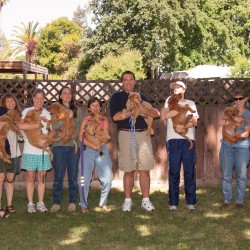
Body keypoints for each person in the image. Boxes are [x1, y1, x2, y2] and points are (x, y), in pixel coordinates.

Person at [110, 71, 160, 212]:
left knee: (145, 169)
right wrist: (133, 111)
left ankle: (145, 200)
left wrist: (143, 111)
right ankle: (127, 201)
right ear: (122, 83)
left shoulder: (141, 96)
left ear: (134, 81)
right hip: (126, 134)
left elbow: (156, 113)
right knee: (129, 169)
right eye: (125, 80)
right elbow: (116, 117)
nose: (128, 82)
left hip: (143, 135)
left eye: (131, 79)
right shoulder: (117, 97)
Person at [164, 81, 199, 211]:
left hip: (188, 138)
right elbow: (166, 115)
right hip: (173, 139)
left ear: (184, 89)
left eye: (178, 87)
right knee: (174, 171)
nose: (175, 89)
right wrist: (177, 109)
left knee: (189, 170)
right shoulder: (169, 100)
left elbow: (194, 121)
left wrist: (184, 125)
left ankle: (191, 201)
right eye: (174, 87)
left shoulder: (191, 103)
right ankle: (173, 202)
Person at [19, 89, 53, 213]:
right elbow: (21, 126)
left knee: (41, 177)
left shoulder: (47, 113)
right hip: (29, 149)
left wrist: (47, 141)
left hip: (43, 150)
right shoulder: (26, 111)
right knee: (30, 176)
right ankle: (30, 203)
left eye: (41, 98)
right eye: (37, 98)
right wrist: (37, 125)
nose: (39, 100)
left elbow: (52, 131)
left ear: (44, 100)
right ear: (33, 98)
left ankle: (40, 202)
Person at [50, 86, 83, 212]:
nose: (67, 95)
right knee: (58, 176)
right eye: (64, 93)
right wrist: (67, 117)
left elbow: (80, 127)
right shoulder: (56, 109)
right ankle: (56, 202)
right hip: (59, 147)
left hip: (73, 146)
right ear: (60, 96)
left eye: (69, 93)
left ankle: (72, 201)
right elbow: (54, 125)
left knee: (73, 176)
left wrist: (70, 137)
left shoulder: (77, 110)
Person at [78, 97, 113, 213]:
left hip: (101, 151)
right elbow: (80, 137)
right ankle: (83, 204)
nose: (96, 108)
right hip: (87, 149)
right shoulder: (86, 120)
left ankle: (103, 203)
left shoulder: (105, 120)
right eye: (93, 105)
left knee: (108, 177)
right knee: (84, 178)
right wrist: (93, 146)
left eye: (97, 105)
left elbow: (106, 137)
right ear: (89, 108)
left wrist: (98, 144)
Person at [219, 89, 250, 208]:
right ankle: (226, 200)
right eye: (235, 99)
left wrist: (237, 138)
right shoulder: (228, 111)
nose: (237, 101)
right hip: (226, 145)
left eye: (240, 98)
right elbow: (220, 123)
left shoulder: (248, 114)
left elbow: (247, 132)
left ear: (245, 99)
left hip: (242, 146)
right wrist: (234, 119)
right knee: (226, 174)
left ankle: (239, 201)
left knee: (241, 175)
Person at [0, 94, 22, 215]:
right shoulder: (1, 115)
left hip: (14, 152)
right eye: (7, 101)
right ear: (3, 103)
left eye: (12, 101)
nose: (11, 103)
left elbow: (21, 136)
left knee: (10, 178)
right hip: (2, 152)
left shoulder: (18, 117)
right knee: (0, 178)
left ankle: (9, 205)